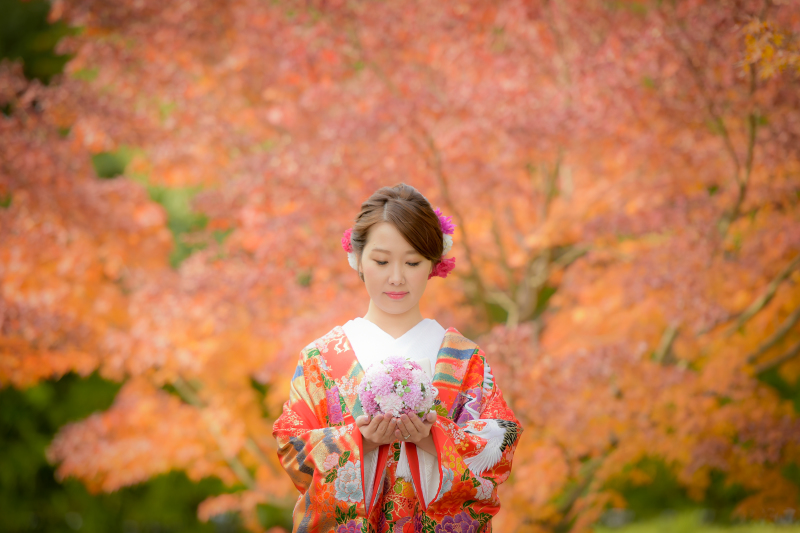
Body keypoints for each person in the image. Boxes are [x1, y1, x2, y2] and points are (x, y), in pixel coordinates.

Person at [272, 184, 521, 533]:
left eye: (413, 261)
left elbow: (500, 444)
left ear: (434, 263)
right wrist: (361, 440)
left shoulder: (465, 359)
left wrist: (432, 437)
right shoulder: (323, 358)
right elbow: (293, 444)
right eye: (381, 260)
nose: (397, 277)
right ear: (356, 258)